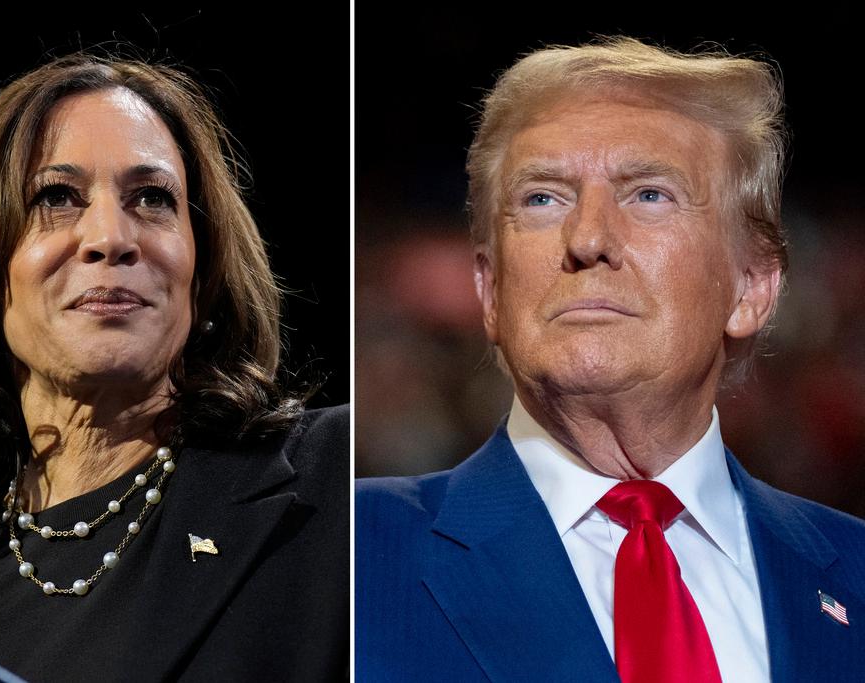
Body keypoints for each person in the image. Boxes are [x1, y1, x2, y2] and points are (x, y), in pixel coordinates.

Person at [356, 37, 864, 682]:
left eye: (649, 194)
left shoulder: (854, 574)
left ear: (751, 286)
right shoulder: (347, 552)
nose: (588, 239)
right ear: (489, 290)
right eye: (543, 199)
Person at [0, 51, 348, 682]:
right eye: (56, 197)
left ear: (203, 266)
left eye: (152, 198)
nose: (110, 236)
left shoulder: (340, 484)